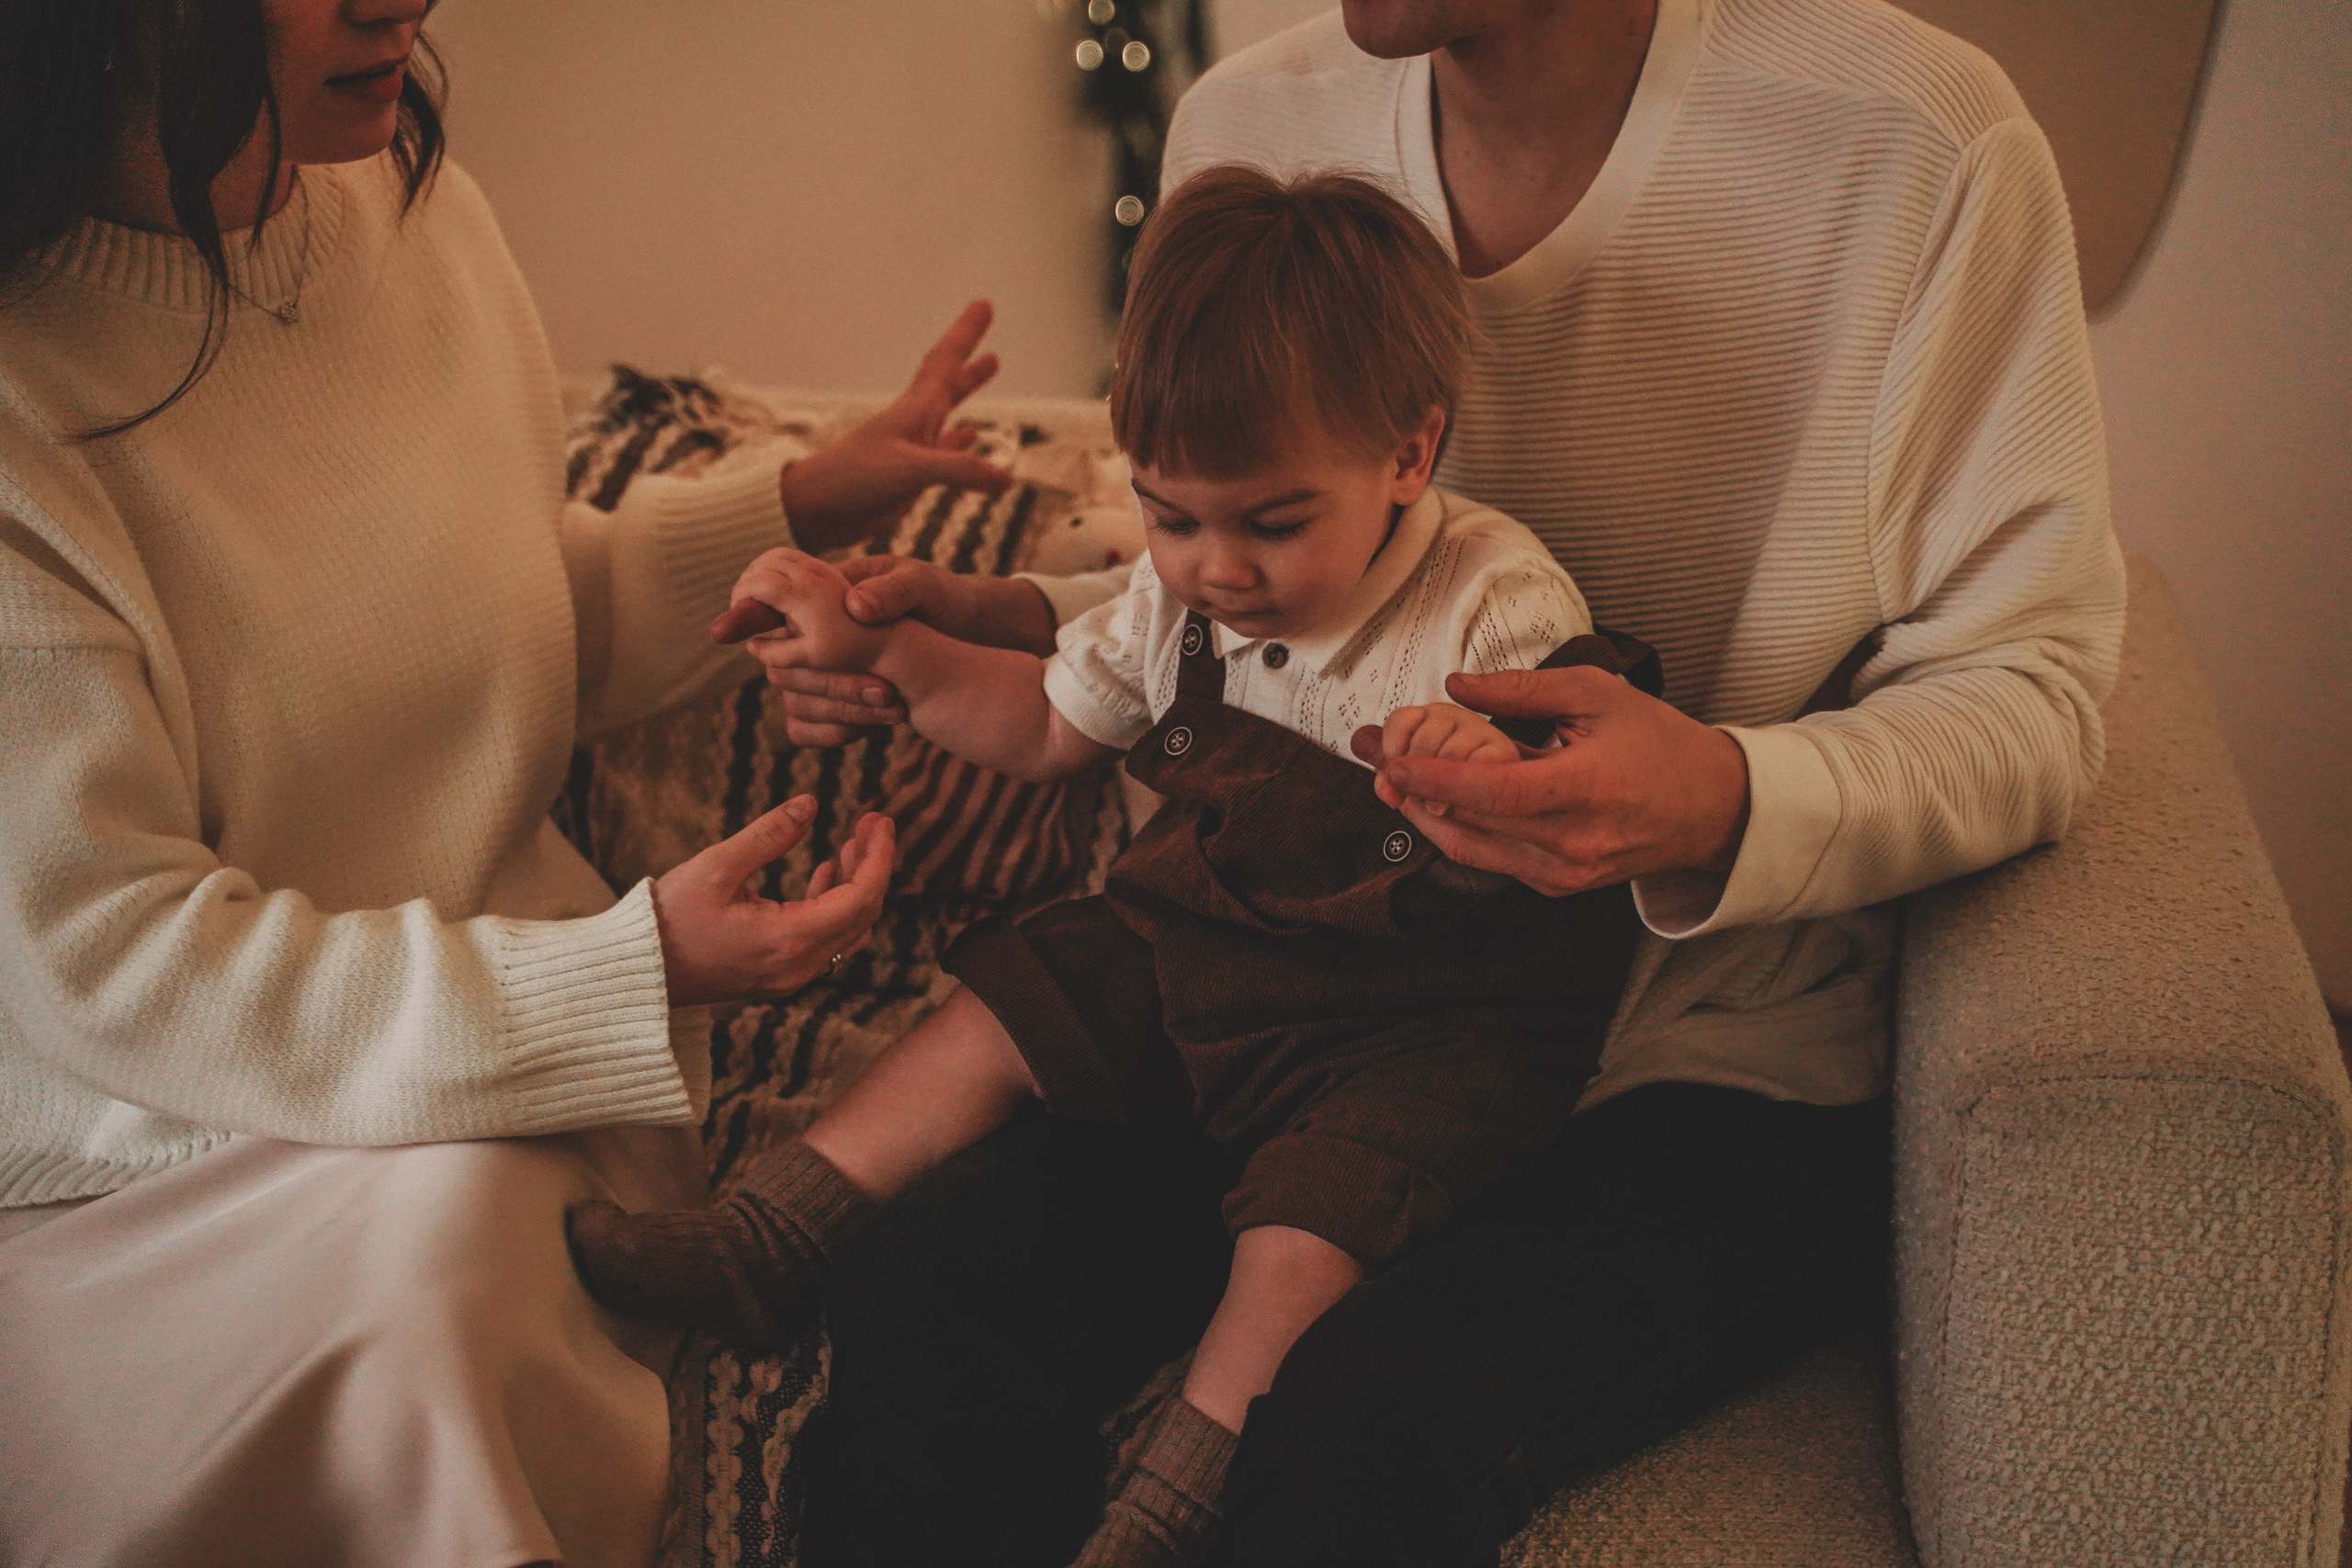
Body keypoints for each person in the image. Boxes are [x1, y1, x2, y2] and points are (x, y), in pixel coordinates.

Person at [768, 2, 2126, 1565]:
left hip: (1696, 1059)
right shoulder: (1247, 126)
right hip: (1301, 991)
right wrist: (973, 627)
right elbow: (1244, 618)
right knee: (916, 1291)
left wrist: (1722, 801)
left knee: (1355, 1434)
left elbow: (2035, 695)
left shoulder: (1921, 142)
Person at [0, 2, 1005, 1562]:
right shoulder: (21, 403)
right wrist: (630, 971)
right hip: (152, 1155)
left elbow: (497, 616)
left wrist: (795, 505)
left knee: (461, 1230)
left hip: (493, 1065)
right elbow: (112, 961)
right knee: (433, 1269)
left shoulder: (418, 213)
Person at [572, 166, 1660, 1567]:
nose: (1218, 570)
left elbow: (1563, 776)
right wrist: (889, 654)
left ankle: (1172, 1501)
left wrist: (1481, 752)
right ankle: (773, 1231)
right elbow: (1034, 721)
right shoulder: (1172, 600)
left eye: (1273, 523)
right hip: (1212, 946)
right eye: (1171, 516)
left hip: (1420, 1021)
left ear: (1408, 454)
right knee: (1017, 996)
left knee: (1302, 1239)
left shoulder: (1493, 591)